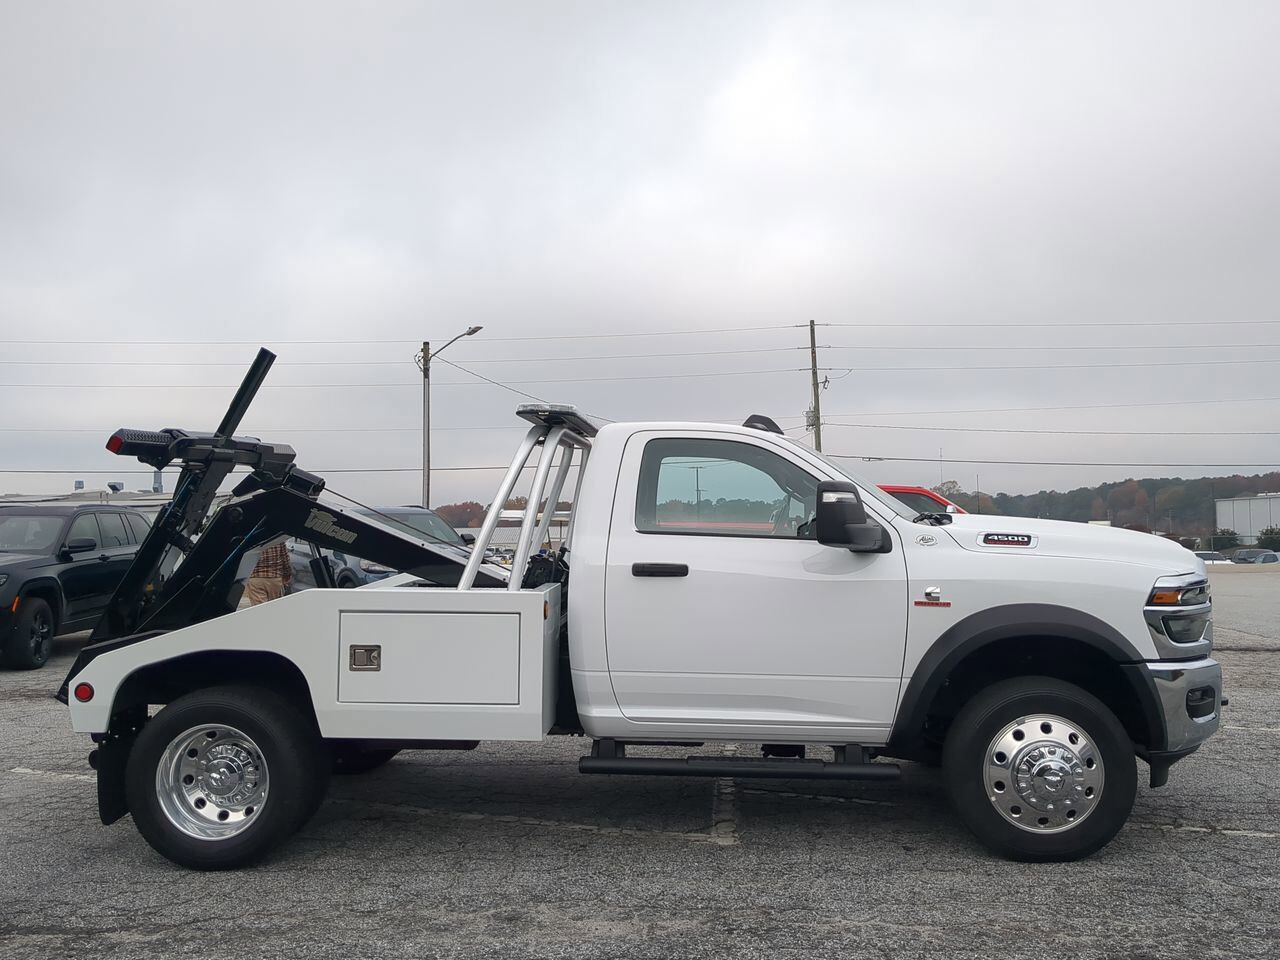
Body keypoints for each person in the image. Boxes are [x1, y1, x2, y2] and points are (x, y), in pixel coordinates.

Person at [244, 541, 293, 606]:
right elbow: (285, 558)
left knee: (261, 609)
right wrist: (287, 574)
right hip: (275, 578)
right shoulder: (278, 538)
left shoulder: (252, 538)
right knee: (273, 606)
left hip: (256, 578)